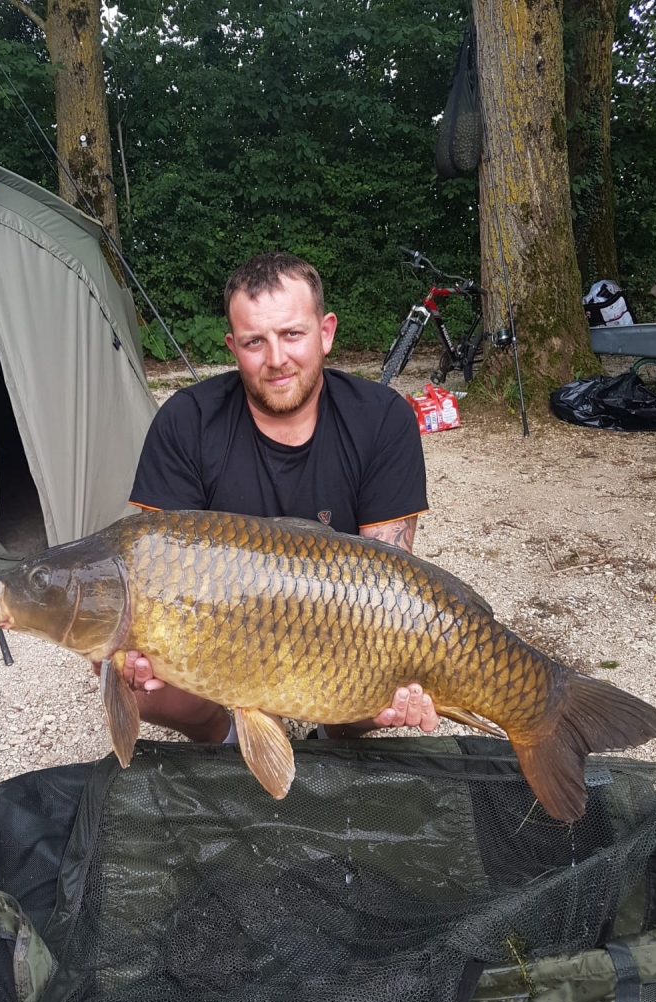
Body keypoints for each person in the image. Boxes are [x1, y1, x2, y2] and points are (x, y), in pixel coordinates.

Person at [122, 252, 439, 743]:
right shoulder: (185, 421)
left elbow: (390, 586)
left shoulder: (383, 418)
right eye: (254, 342)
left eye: (292, 334)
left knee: (389, 657)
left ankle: (337, 736)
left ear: (325, 332)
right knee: (122, 660)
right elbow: (152, 573)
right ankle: (222, 735)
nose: (275, 359)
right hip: (220, 629)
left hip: (341, 626)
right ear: (233, 347)